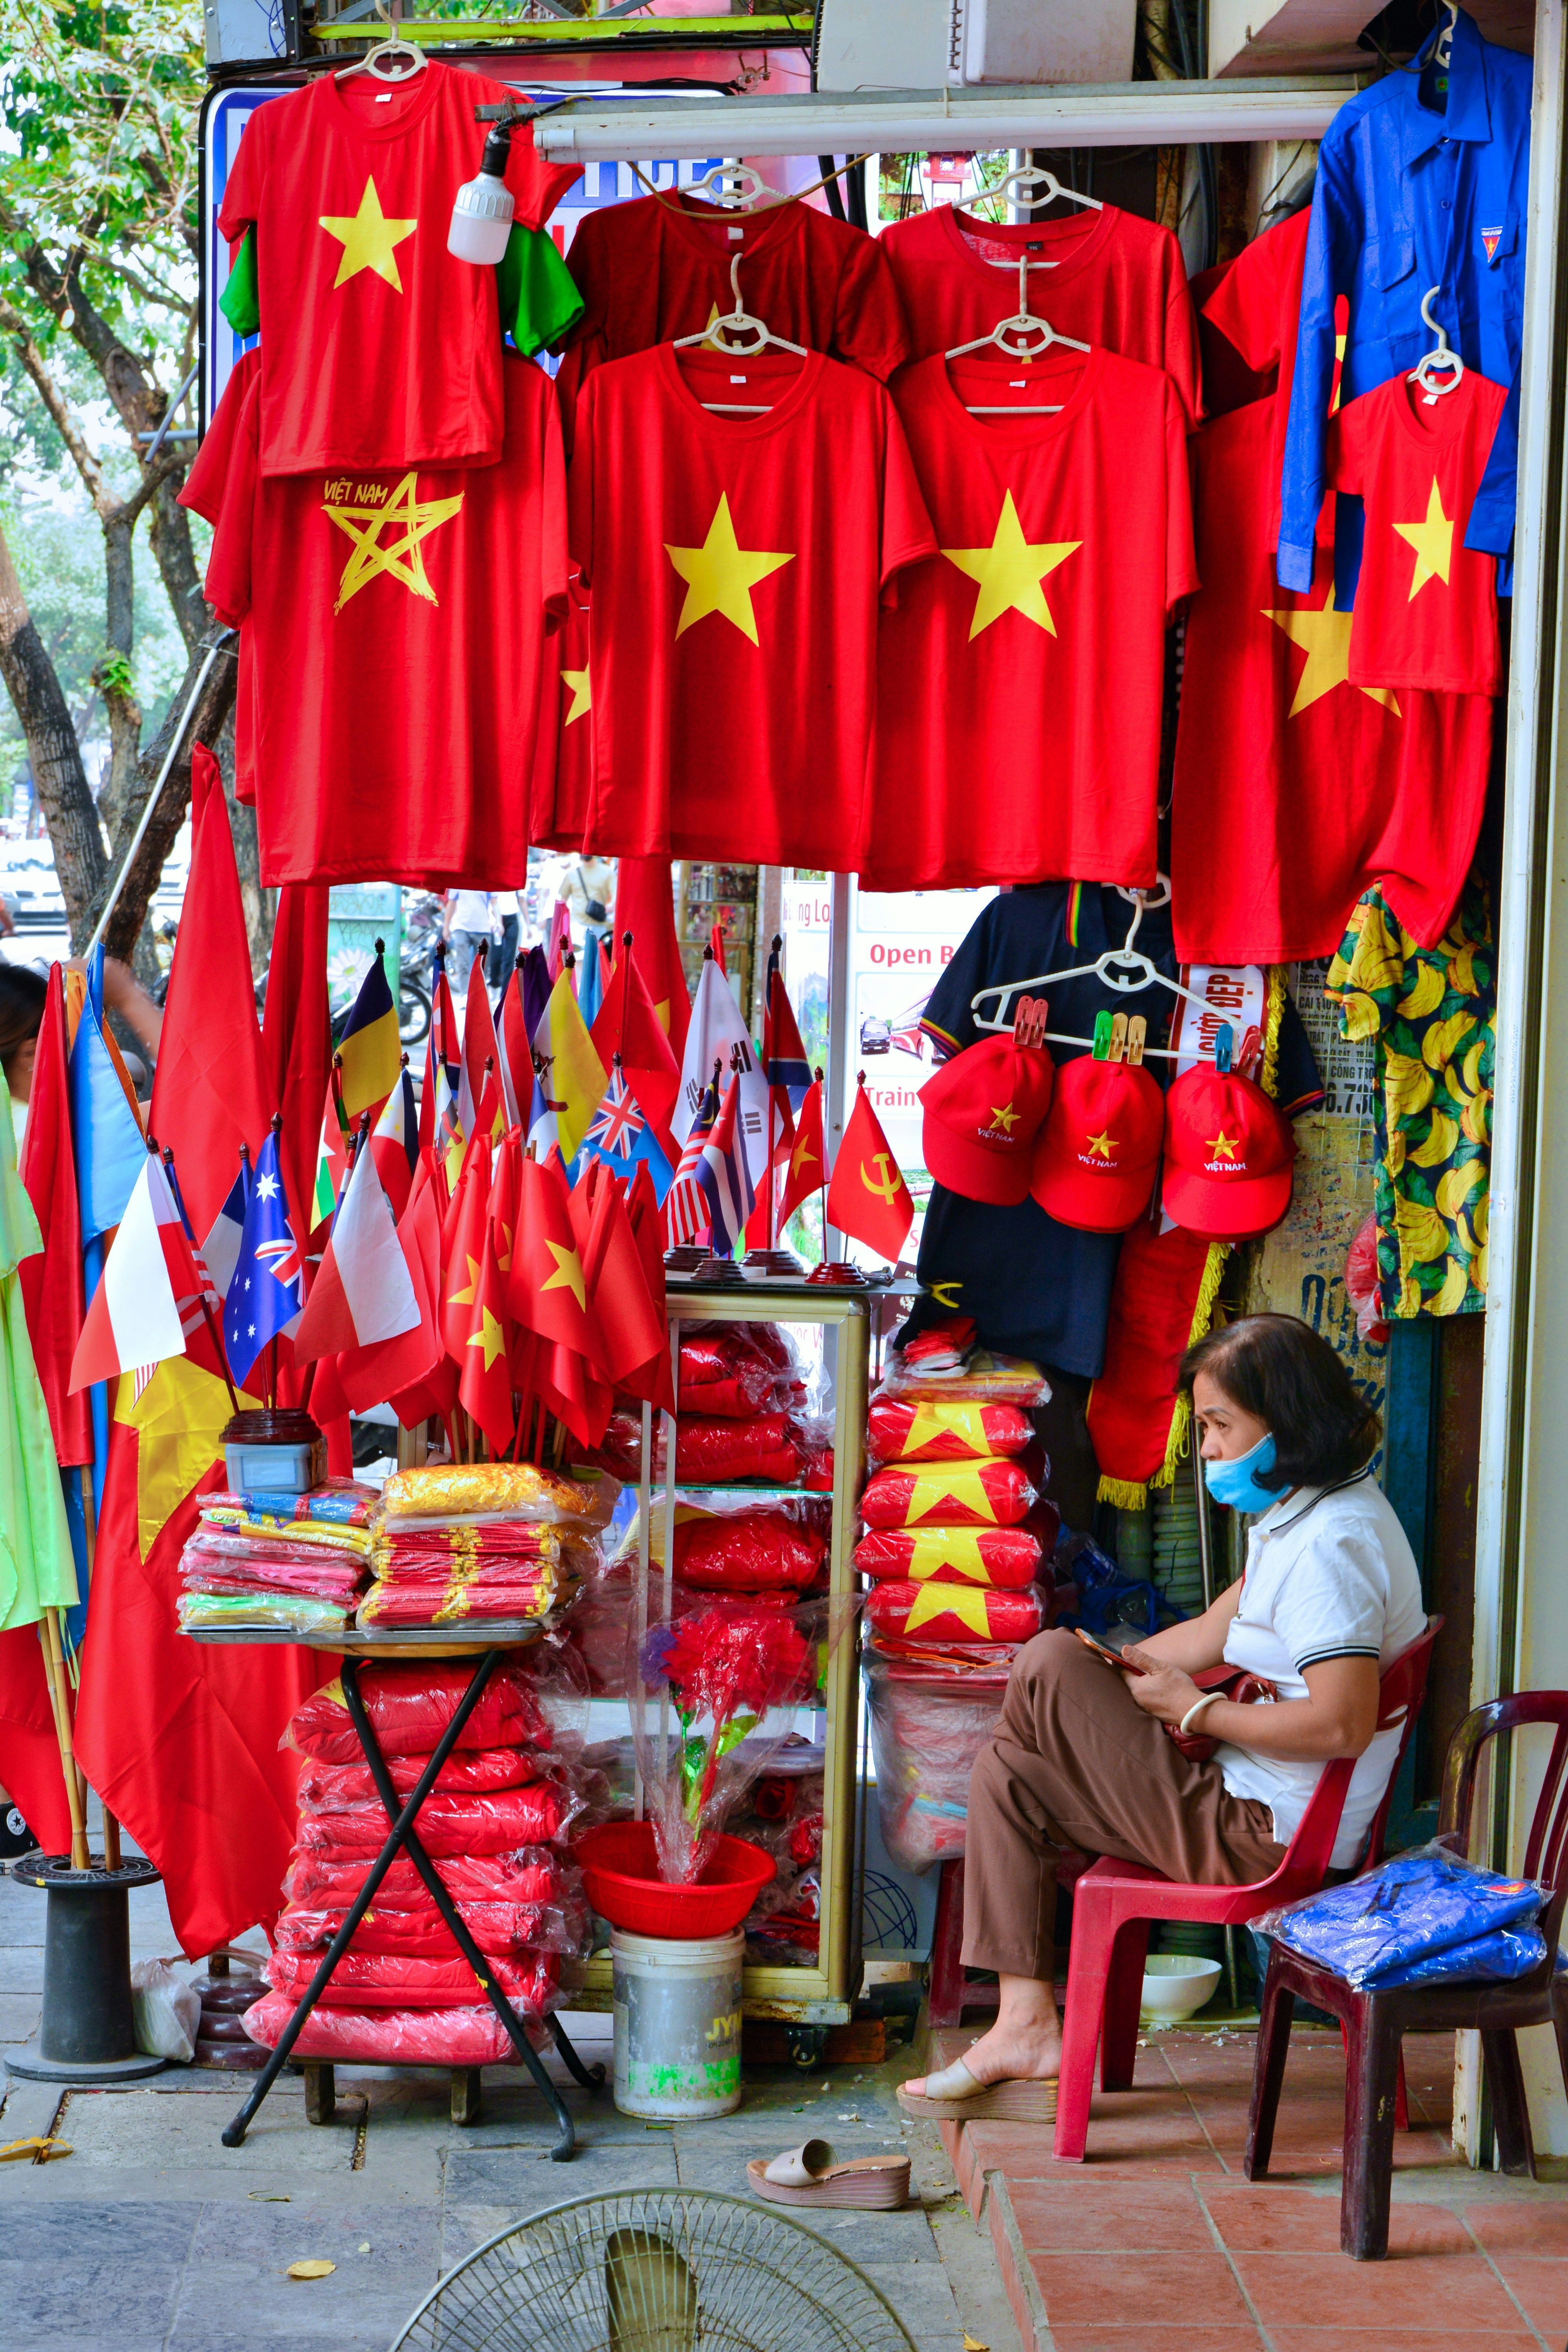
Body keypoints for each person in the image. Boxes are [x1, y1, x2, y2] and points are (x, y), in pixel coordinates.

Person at [899, 1312, 1426, 2115]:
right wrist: (1118, 1672)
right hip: (1233, 1799)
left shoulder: (1331, 1547)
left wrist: (1197, 1714)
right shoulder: (1304, 1515)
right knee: (1010, 1770)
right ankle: (1023, 2020)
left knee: (1041, 1661)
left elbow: (1340, 1726)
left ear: (1281, 1422)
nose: (1206, 1450)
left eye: (1218, 1426)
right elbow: (1215, 1631)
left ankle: (1024, 2021)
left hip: (1266, 1838)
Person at [1, 956, 163, 1151]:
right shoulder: (45, 1136)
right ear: (30, 1052)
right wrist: (127, 997)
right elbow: (187, 1103)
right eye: (63, 1042)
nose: (68, 1059)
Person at [441, 887, 492, 993]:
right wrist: (446, 927)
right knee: (462, 963)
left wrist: (498, 922)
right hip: (461, 927)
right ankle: (465, 994)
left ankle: (479, 994)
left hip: (483, 928)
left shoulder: (486, 880)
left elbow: (494, 903)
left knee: (482, 965)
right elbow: (451, 904)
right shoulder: (458, 881)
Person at [487, 887, 521, 989]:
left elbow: (521, 898)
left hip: (512, 916)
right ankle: (494, 983)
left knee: (510, 957)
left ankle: (506, 991)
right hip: (496, 916)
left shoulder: (515, 875)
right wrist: (494, 920)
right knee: (496, 956)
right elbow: (490, 898)